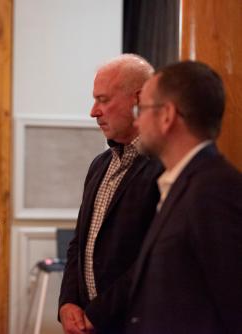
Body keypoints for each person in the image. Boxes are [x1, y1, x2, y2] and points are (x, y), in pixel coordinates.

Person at [126, 60, 242, 333]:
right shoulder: (184, 182)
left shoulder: (215, 190)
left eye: (141, 109)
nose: (136, 120)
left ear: (167, 116)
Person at [58, 54, 163, 333]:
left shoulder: (164, 166)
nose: (93, 111)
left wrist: (100, 313)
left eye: (103, 100)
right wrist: (68, 301)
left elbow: (154, 259)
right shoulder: (100, 164)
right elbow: (78, 241)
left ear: (139, 100)